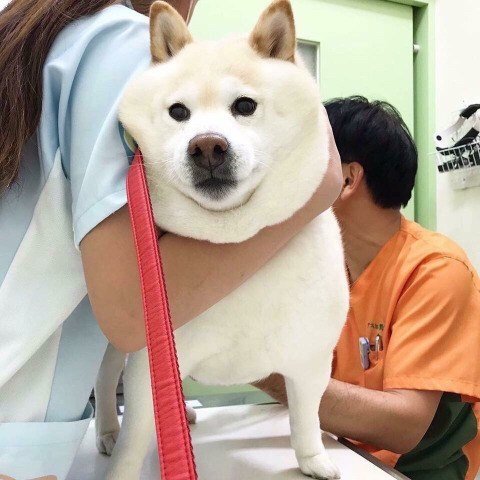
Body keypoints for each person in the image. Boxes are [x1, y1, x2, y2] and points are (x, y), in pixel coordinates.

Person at [0, 0, 343, 478]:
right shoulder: (122, 51)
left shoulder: (36, 34)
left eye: (243, 107)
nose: (208, 143)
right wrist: (317, 189)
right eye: (180, 112)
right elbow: (131, 314)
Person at [255, 96, 480, 480]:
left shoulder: (437, 270)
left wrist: (251, 366)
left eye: (298, 163)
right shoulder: (323, 268)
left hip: (416, 471)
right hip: (343, 455)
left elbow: (403, 426)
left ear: (346, 180)